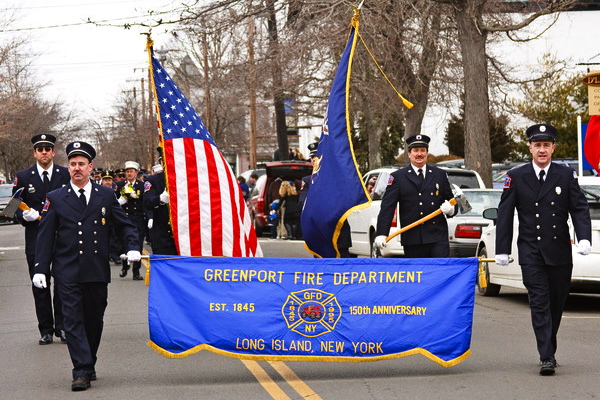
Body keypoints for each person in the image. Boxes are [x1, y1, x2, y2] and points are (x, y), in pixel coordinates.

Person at [32, 141, 140, 391]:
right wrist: (40, 268)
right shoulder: (56, 198)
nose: (76, 168)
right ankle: (80, 370)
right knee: (71, 321)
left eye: (81, 164)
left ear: (91, 167)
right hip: (67, 270)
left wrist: (132, 245)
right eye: (72, 164)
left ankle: (88, 361)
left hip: (96, 269)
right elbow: (45, 236)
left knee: (94, 319)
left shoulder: (105, 195)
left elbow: (124, 224)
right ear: (68, 167)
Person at [494, 124, 591, 376]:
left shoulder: (565, 175)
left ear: (553, 148)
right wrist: (502, 248)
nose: (542, 150)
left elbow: (579, 207)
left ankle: (549, 345)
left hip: (559, 251)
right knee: (539, 303)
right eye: (537, 145)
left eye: (546, 145)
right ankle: (546, 356)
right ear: (530, 148)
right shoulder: (516, 176)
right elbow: (505, 213)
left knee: (556, 305)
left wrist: (584, 237)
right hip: (531, 252)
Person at [12, 133, 70, 345]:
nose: (44, 152)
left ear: (53, 152)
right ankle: (45, 329)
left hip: (62, 238)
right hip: (36, 239)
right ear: (35, 153)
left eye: (48, 149)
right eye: (40, 149)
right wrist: (23, 216)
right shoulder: (24, 176)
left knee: (63, 284)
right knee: (40, 284)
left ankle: (62, 327)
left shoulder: (65, 174)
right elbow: (13, 208)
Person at [374, 134, 455, 258]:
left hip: (438, 237)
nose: (419, 154)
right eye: (415, 151)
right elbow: (388, 207)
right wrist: (381, 233)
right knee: (418, 275)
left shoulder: (440, 175)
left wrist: (451, 210)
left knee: (439, 273)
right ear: (409, 154)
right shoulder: (398, 177)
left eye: (422, 150)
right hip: (413, 238)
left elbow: (452, 201)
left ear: (427, 153)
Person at [299, 141, 353, 256]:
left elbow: (344, 200)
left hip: (338, 233)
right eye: (312, 157)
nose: (314, 159)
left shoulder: (338, 179)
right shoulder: (308, 181)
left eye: (317, 157)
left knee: (344, 270)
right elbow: (303, 203)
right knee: (321, 271)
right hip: (319, 234)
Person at [115, 161, 146, 280]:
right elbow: (114, 201)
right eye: (127, 171)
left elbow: (144, 202)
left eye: (131, 171)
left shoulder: (141, 185)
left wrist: (148, 218)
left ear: (136, 173)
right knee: (124, 244)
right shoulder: (120, 185)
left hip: (138, 219)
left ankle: (136, 271)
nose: (129, 174)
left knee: (137, 245)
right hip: (124, 219)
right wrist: (120, 201)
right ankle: (124, 266)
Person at [144, 153, 178, 255]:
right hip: (163, 233)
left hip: (184, 234)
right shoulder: (153, 180)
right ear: (161, 163)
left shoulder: (185, 179)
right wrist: (160, 199)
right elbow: (147, 202)